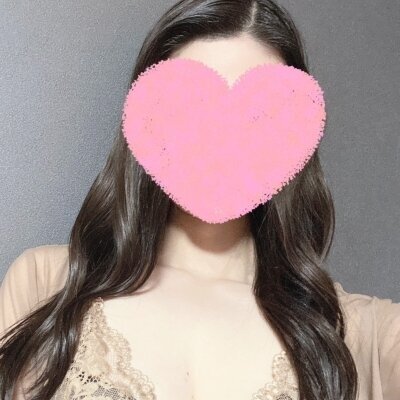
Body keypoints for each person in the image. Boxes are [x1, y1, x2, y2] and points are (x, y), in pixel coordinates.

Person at [1, 1, 399, 399]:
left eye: (256, 116)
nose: (220, 140)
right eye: (189, 108)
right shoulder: (46, 285)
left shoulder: (367, 335)